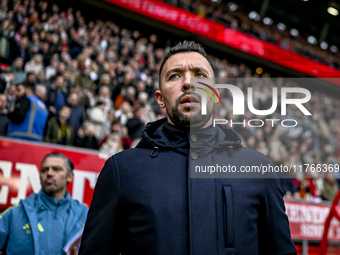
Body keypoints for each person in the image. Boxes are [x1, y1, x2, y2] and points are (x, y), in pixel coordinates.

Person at [79, 41, 296, 254]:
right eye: (175, 76)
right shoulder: (121, 169)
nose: (188, 83)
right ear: (160, 99)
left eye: (200, 75)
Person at [0, 152, 88, 255]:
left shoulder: (85, 216)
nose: (49, 173)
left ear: (70, 176)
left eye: (56, 169)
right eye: (44, 170)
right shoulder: (14, 214)